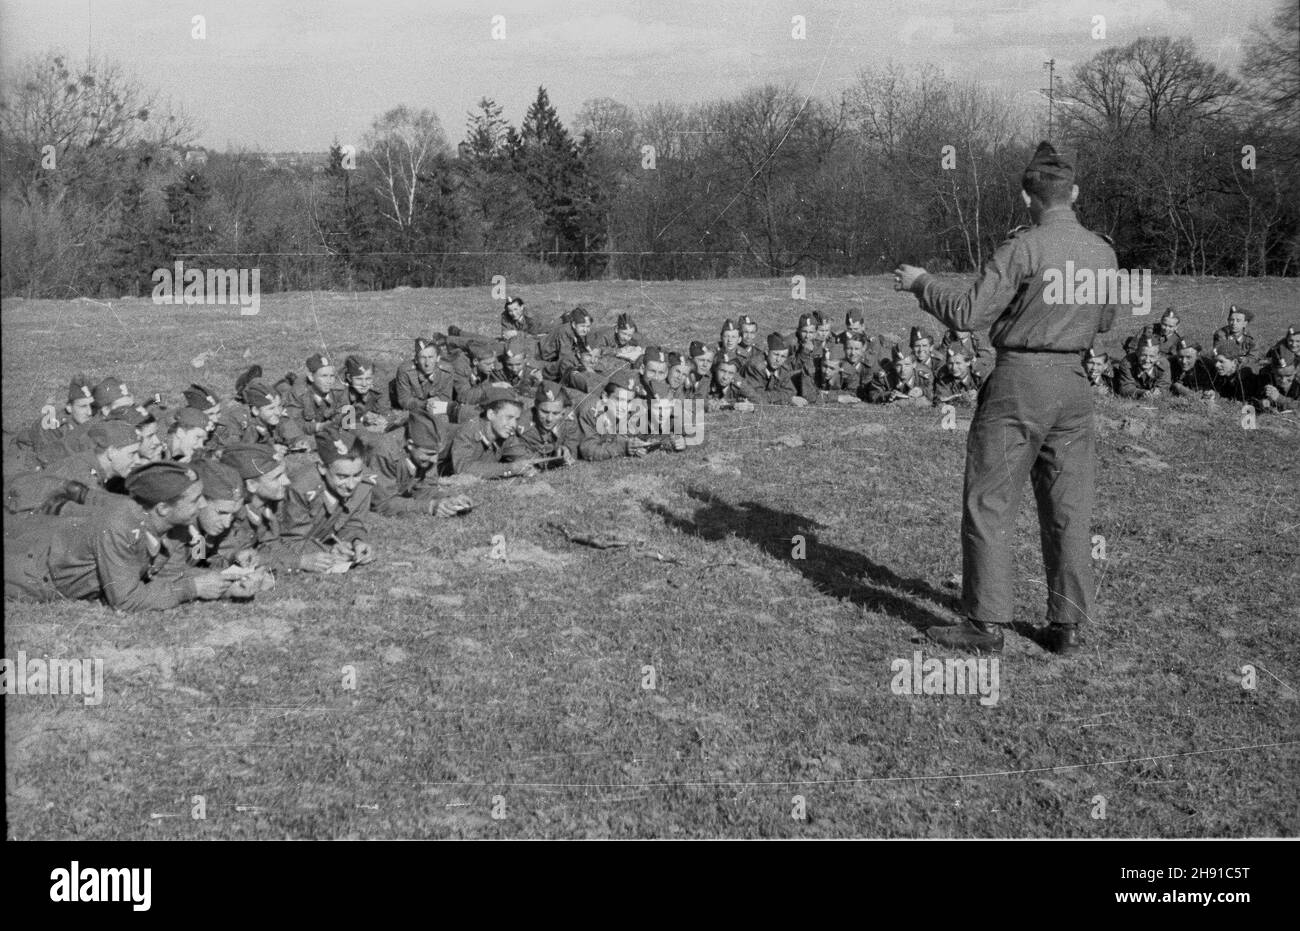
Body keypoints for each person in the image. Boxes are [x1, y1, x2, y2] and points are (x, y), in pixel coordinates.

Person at [894, 141, 1117, 655]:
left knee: (992, 500)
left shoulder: (1022, 248)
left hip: (1020, 380)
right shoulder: (1103, 252)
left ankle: (986, 623)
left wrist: (922, 283)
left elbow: (969, 313)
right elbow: (1104, 321)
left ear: (1026, 198)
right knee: (1069, 505)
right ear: (1075, 193)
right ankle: (1068, 626)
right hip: (1075, 384)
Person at [3, 461, 239, 610]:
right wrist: (192, 589)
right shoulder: (122, 527)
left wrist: (224, 582)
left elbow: (165, 574)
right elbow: (126, 599)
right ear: (163, 508)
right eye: (195, 500)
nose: (202, 506)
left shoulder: (158, 523)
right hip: (28, 575)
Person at [279, 430, 377, 569]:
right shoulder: (301, 488)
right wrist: (328, 550)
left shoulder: (364, 484)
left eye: (356, 475)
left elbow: (352, 523)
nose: (351, 485)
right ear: (322, 467)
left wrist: (357, 542)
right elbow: (290, 539)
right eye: (342, 477)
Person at [365, 410, 472, 517]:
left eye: (436, 454)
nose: (434, 460)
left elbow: (425, 488)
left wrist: (448, 498)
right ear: (410, 445)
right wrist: (428, 507)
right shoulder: (383, 452)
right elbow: (382, 504)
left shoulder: (427, 450)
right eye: (429, 454)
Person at [443, 387, 538, 479]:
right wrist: (510, 468)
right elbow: (463, 468)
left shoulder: (505, 434)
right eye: (509, 417)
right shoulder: (469, 431)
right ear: (491, 414)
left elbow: (521, 455)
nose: (513, 424)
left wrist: (525, 465)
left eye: (516, 419)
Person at [503, 381, 582, 466]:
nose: (549, 419)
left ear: (563, 411)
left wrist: (566, 451)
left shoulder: (568, 419)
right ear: (536, 405)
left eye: (555, 413)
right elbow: (518, 456)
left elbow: (572, 447)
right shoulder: (522, 425)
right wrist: (553, 460)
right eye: (544, 412)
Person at [392, 337, 461, 421]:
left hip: (435, 408)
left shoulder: (446, 370)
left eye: (431, 357)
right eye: (423, 357)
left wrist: (438, 400)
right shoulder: (405, 371)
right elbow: (404, 400)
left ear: (438, 358)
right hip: (413, 410)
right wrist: (425, 404)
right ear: (416, 359)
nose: (427, 363)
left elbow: (447, 396)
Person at [285, 353, 347, 436]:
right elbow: (293, 426)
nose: (329, 381)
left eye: (332, 376)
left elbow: (348, 421)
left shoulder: (339, 391)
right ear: (311, 377)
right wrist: (318, 427)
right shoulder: (298, 395)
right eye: (324, 376)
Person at [742, 333, 806, 406]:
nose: (778, 360)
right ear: (767, 352)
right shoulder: (755, 366)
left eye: (783, 356)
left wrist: (780, 396)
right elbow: (757, 395)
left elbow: (791, 391)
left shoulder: (783, 368)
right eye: (776, 354)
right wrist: (788, 399)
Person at [866, 346, 932, 406]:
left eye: (907, 365)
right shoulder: (885, 376)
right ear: (893, 365)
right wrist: (888, 395)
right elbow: (873, 395)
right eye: (899, 365)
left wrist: (922, 391)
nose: (903, 370)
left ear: (914, 364)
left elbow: (934, 392)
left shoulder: (924, 374)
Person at [342, 354, 393, 432]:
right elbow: (345, 425)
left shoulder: (378, 391)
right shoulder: (341, 392)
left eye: (368, 379)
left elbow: (387, 413)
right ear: (349, 378)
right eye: (359, 379)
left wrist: (381, 419)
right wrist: (363, 418)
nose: (364, 384)